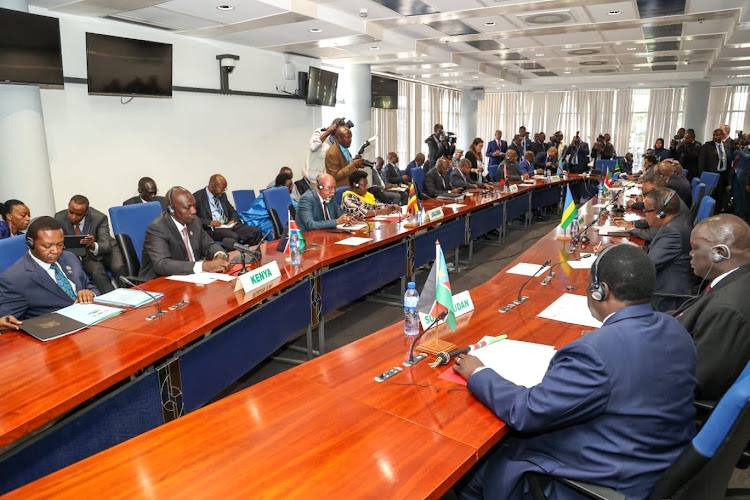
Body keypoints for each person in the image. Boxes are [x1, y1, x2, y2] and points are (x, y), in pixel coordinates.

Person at [453, 244, 696, 499]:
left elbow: (525, 412)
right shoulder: (675, 327)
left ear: (601, 291)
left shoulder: (594, 353)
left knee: (474, 474)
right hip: (660, 461)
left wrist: (479, 372)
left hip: (610, 479)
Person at [677, 214, 750, 403]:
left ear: (719, 252)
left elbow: (695, 382)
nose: (690, 255)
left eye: (694, 249)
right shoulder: (735, 279)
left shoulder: (726, 309)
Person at [0, 216, 99, 331]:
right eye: (47, 246)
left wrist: (90, 293)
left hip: (91, 321)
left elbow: (89, 285)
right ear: (30, 244)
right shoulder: (14, 278)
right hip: (56, 334)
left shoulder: (69, 257)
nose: (56, 251)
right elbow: (6, 320)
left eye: (60, 244)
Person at [139, 187, 230, 281]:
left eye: (194, 206)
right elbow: (162, 264)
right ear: (172, 210)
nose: (194, 211)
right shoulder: (157, 228)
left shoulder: (194, 221)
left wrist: (219, 254)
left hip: (192, 279)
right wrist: (203, 266)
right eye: (188, 207)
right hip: (159, 283)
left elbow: (208, 244)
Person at [54, 195, 127, 294]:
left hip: (106, 249)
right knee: (97, 271)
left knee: (119, 267)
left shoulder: (99, 218)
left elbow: (106, 245)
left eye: (78, 214)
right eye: (71, 212)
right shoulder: (59, 218)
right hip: (86, 255)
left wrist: (92, 245)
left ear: (86, 212)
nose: (73, 217)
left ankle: (129, 294)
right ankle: (111, 298)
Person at [643, 188, 695, 312]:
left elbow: (647, 267)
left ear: (660, 213)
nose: (644, 213)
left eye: (646, 210)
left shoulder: (673, 232)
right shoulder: (676, 223)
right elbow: (650, 249)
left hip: (665, 298)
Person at [193, 174, 262, 246]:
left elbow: (232, 211)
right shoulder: (198, 197)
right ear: (212, 185)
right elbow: (194, 219)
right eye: (221, 189)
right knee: (234, 237)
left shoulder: (222, 196)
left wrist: (233, 220)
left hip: (228, 225)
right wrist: (210, 222)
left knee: (256, 232)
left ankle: (250, 254)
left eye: (224, 189)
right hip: (213, 229)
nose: (223, 192)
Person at [240, 172, 294, 237]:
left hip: (270, 218)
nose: (291, 188)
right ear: (280, 186)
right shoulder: (274, 193)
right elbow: (294, 205)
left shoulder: (278, 191)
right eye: (289, 186)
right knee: (274, 231)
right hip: (258, 220)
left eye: (292, 186)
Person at [698, 128, 733, 212]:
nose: (715, 137)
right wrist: (701, 175)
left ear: (722, 136)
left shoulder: (726, 146)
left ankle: (718, 212)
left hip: (722, 174)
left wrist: (729, 178)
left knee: (720, 195)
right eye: (714, 135)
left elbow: (729, 161)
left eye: (717, 135)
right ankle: (708, 212)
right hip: (711, 174)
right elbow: (701, 162)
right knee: (711, 194)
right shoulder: (707, 146)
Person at [303, 117, 341, 189]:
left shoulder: (337, 140)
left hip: (326, 179)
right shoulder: (319, 132)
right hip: (313, 179)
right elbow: (313, 146)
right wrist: (328, 132)